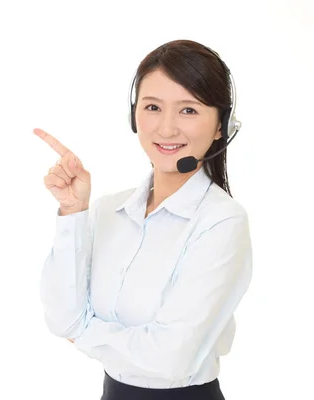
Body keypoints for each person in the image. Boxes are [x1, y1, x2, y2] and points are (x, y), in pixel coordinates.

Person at [34, 39, 252, 400]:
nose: (166, 129)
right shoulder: (107, 210)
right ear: (134, 115)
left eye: (189, 110)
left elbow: (171, 359)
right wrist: (73, 213)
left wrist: (83, 332)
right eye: (153, 107)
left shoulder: (221, 222)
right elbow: (61, 316)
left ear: (220, 126)